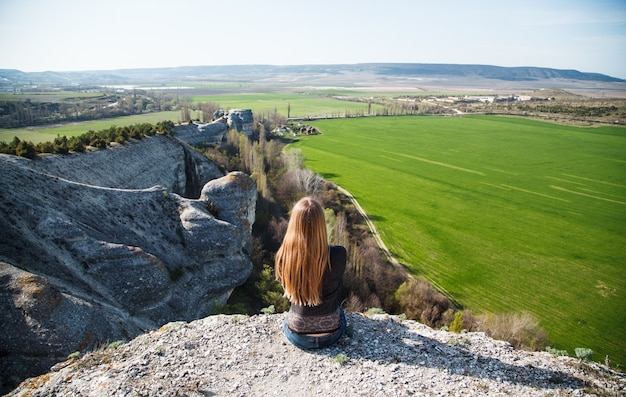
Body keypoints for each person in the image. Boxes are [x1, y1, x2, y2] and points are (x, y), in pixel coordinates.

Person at [275, 196, 347, 349]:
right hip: (331, 333)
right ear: (321, 225)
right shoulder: (338, 255)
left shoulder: (284, 257)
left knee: (287, 319)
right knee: (341, 312)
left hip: (297, 333)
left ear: (294, 225)